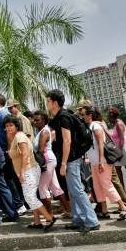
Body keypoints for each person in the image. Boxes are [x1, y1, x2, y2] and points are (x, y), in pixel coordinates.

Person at [47, 89, 100, 232]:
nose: (47, 103)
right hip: (71, 158)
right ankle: (77, 219)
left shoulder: (63, 117)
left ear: (55, 103)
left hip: (71, 159)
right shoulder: (59, 116)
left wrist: (63, 163)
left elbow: (67, 140)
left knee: (77, 190)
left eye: (48, 101)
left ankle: (92, 220)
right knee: (72, 190)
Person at [5, 115, 56, 231]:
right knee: (30, 196)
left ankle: (49, 218)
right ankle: (37, 221)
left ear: (17, 126)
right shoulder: (16, 137)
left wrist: (22, 172)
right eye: (7, 126)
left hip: (28, 170)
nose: (8, 128)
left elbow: (25, 154)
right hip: (26, 170)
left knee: (30, 197)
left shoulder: (19, 137)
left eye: (11, 125)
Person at [81, 106, 126, 221]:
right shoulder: (90, 126)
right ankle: (104, 210)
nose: (82, 117)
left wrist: (100, 161)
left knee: (106, 185)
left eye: (84, 114)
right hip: (95, 162)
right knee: (97, 186)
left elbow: (100, 144)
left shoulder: (96, 126)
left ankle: (123, 207)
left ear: (90, 115)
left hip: (101, 161)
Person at [32, 110, 71, 217]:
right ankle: (69, 211)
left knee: (42, 189)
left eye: (37, 120)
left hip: (46, 160)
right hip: (48, 159)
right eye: (34, 120)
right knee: (55, 187)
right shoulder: (41, 131)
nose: (35, 122)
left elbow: (40, 149)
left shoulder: (44, 131)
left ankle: (49, 215)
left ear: (44, 121)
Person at [0, 94, 24, 217]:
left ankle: (19, 204)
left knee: (10, 179)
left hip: (6, 151)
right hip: (5, 151)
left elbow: (10, 133)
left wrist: (9, 149)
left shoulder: (1, 114)